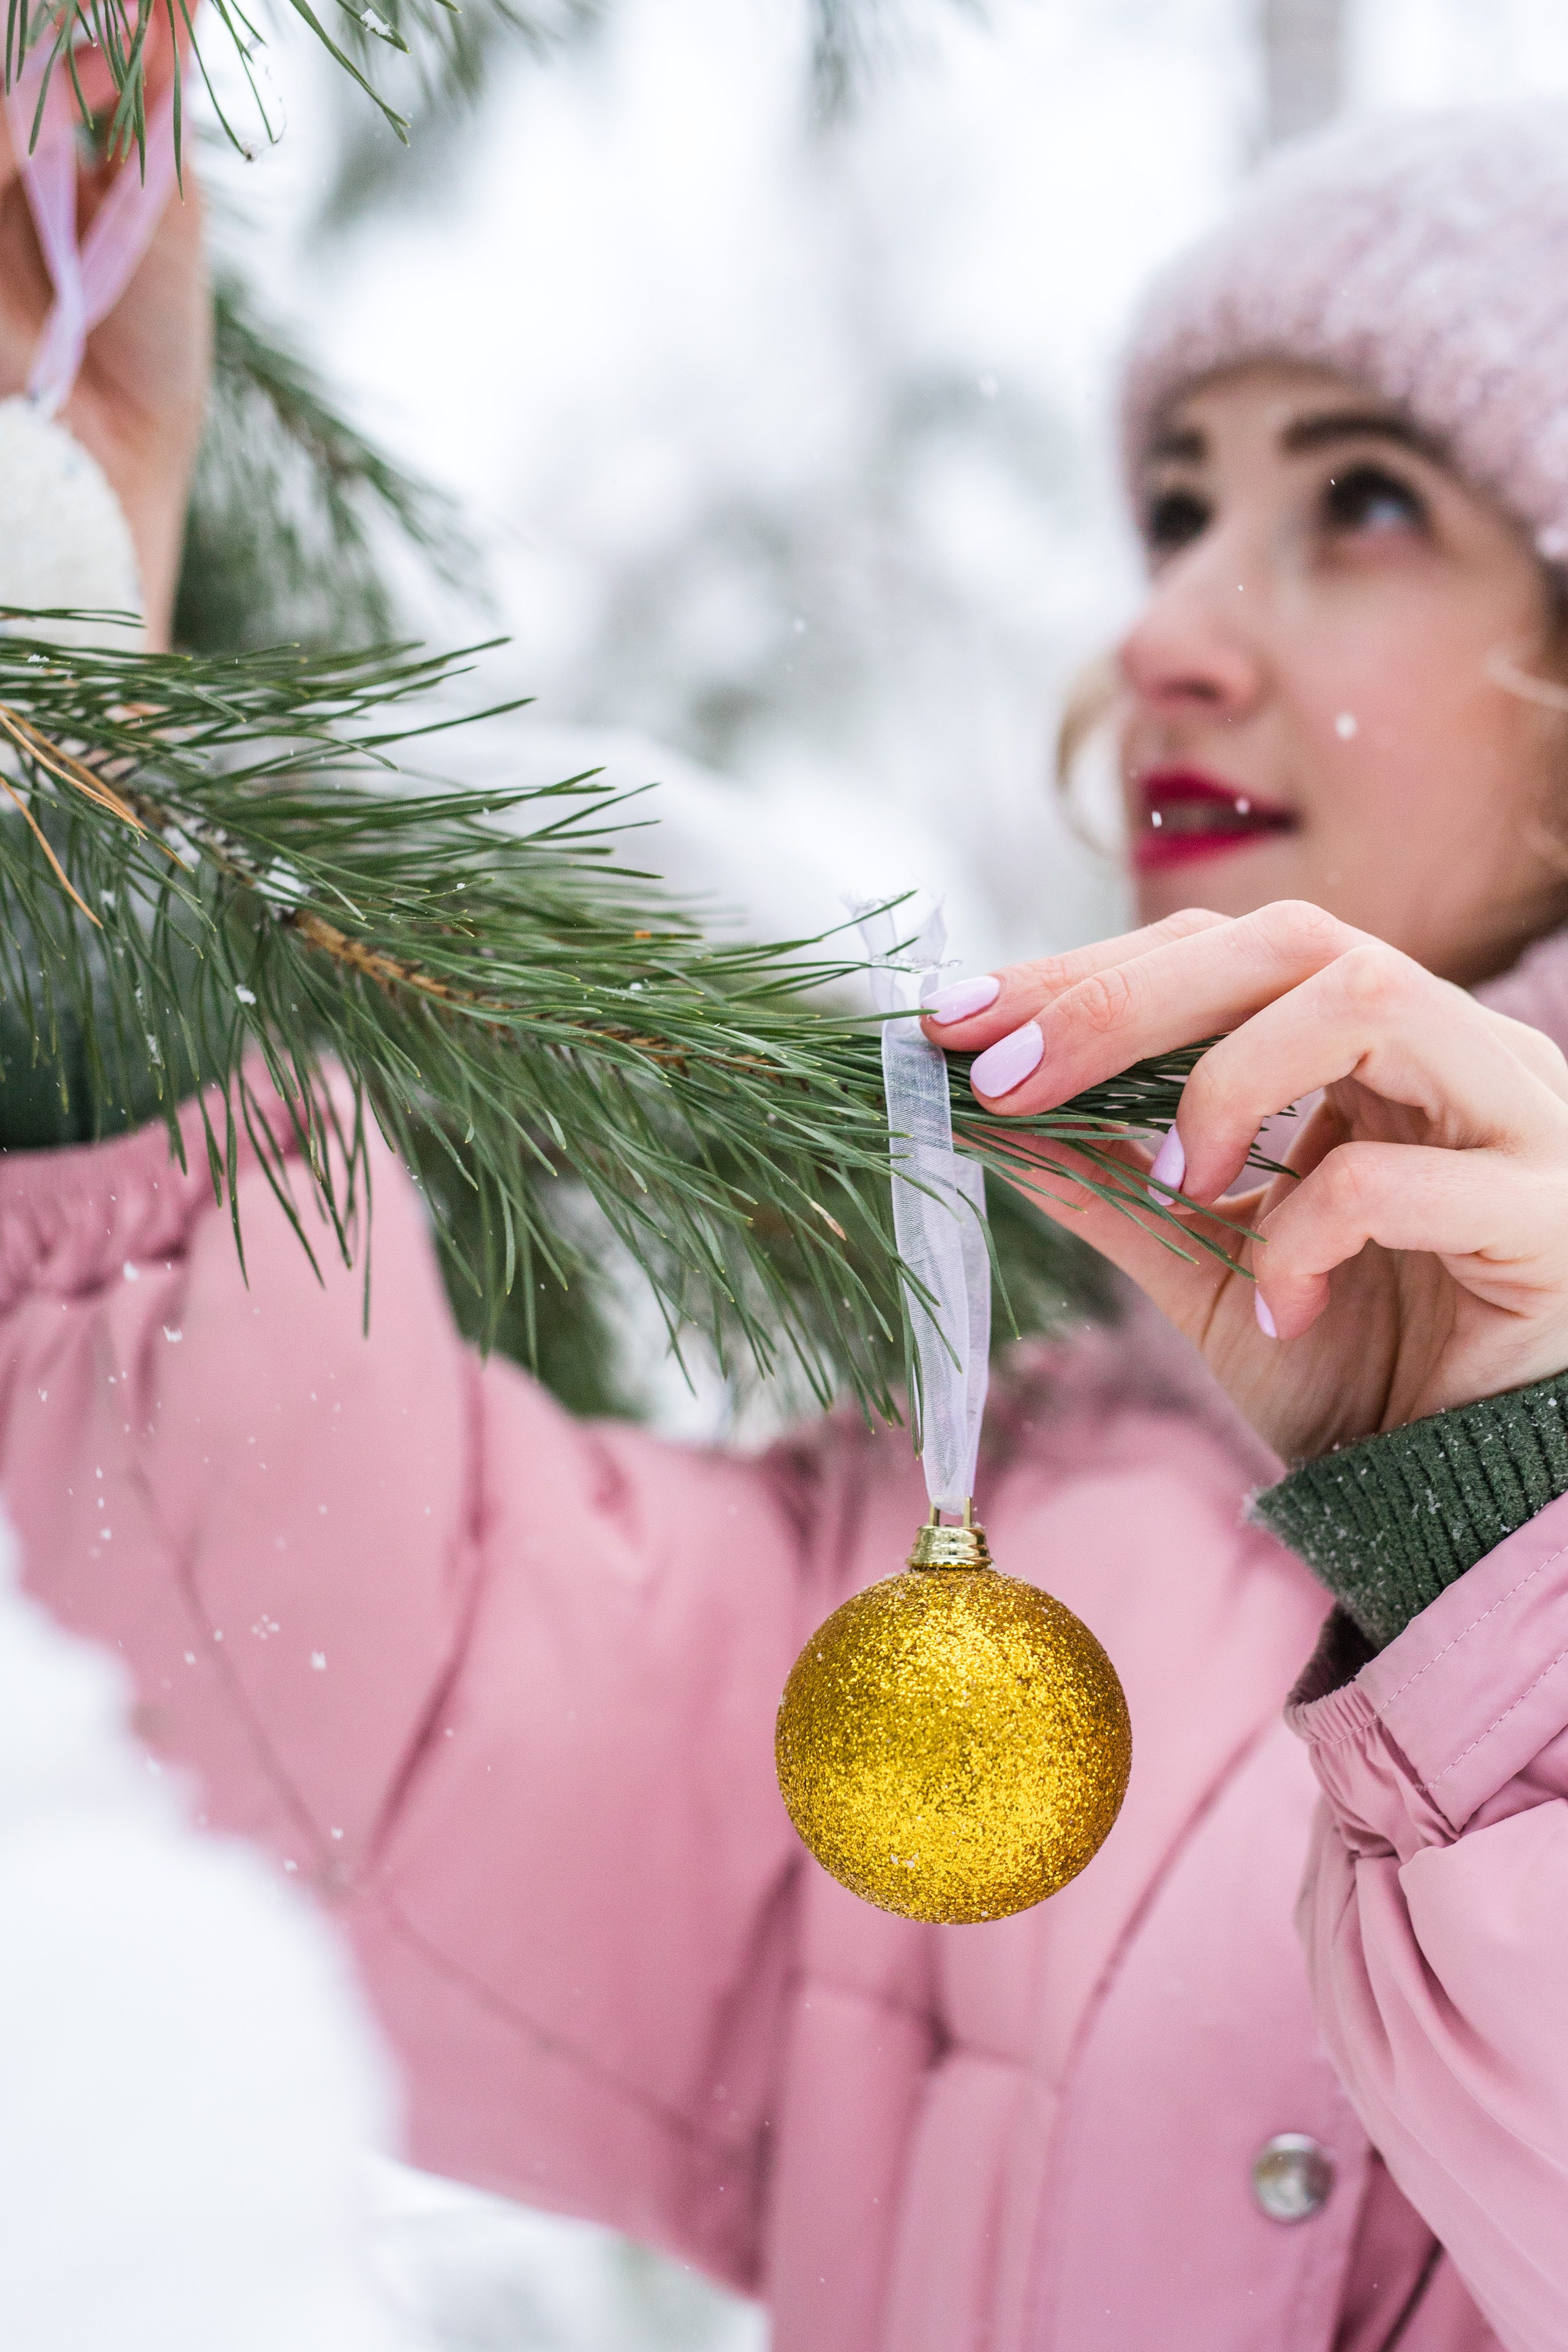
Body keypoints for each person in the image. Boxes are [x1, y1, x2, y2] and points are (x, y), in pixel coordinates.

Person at [9, 88, 1568, 2352]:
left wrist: (1507, 1542)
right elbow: (360, 1730)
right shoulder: (1003, 1520)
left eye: (1362, 502)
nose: (1174, 638)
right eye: (1171, 511)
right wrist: (72, 841)